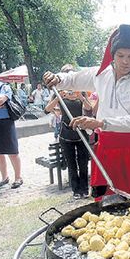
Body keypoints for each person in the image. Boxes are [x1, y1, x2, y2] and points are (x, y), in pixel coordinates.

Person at [43, 24, 130, 199]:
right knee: (105, 204)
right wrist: (58, 78)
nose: (125, 61)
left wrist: (100, 123)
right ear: (113, 55)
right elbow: (72, 79)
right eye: (120, 55)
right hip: (106, 150)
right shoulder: (101, 74)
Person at [45, 64, 92, 199]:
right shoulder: (57, 90)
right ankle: (75, 190)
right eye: (66, 72)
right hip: (66, 133)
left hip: (81, 132)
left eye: (71, 72)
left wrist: (81, 98)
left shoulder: (80, 89)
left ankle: (84, 189)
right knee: (71, 164)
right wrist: (58, 97)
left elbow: (90, 108)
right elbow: (47, 109)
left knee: (83, 163)